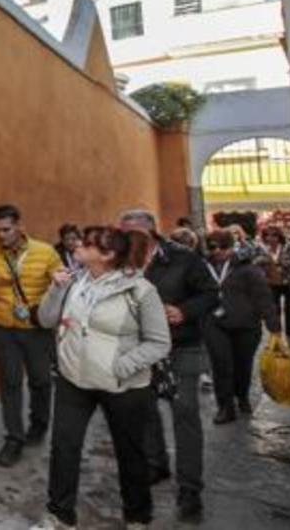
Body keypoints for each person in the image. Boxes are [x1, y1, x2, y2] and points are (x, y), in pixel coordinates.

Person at [30, 226, 171, 530]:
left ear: (107, 256)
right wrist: (55, 289)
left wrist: (120, 366)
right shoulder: (73, 282)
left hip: (123, 387)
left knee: (130, 452)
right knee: (64, 447)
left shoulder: (140, 291)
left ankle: (137, 517)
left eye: (88, 244)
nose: (78, 246)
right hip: (73, 380)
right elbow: (45, 320)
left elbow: (159, 343)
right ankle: (60, 515)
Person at [118, 209, 218, 523]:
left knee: (185, 414)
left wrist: (184, 311)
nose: (126, 239)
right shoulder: (121, 260)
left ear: (151, 232)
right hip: (141, 349)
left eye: (132, 233)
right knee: (144, 410)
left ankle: (190, 490)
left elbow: (212, 293)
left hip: (181, 346)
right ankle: (156, 464)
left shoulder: (184, 258)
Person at [0, 204, 63, 467]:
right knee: (9, 382)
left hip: (36, 329)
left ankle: (39, 424)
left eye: (7, 229)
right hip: (3, 328)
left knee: (41, 380)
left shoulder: (45, 252)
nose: (1, 235)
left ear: (20, 226)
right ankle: (14, 438)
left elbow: (60, 291)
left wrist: (59, 283)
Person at [201, 230, 281, 424]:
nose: (218, 251)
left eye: (223, 247)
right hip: (215, 324)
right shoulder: (201, 268)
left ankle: (242, 395)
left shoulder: (247, 268)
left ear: (232, 247)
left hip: (246, 325)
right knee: (221, 365)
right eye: (213, 247)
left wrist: (274, 325)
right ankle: (225, 407)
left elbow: (263, 297)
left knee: (242, 365)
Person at [260, 225, 290, 349]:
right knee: (274, 312)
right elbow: (256, 265)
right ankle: (276, 337)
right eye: (267, 235)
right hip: (272, 284)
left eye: (274, 235)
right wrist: (262, 264)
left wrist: (285, 264)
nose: (271, 238)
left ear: (279, 236)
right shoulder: (262, 249)